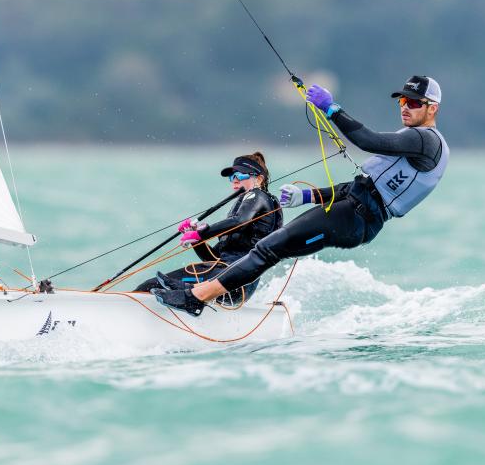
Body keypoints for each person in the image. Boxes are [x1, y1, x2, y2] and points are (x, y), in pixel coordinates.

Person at [152, 75, 449, 316]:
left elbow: (366, 140)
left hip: (356, 218)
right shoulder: (414, 142)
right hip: (352, 212)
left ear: (432, 108)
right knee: (270, 248)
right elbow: (360, 188)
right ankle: (208, 296)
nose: (404, 107)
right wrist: (305, 197)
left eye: (413, 102)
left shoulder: (424, 140)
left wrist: (332, 109)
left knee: (269, 247)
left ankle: (196, 298)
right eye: (401, 101)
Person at [135, 152, 282, 305]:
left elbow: (240, 220)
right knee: (152, 286)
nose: (235, 181)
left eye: (241, 175)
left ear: (259, 178)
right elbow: (213, 258)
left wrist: (201, 233)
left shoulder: (259, 196)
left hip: (236, 281)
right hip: (227, 280)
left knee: (150, 286)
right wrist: (195, 239)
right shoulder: (243, 208)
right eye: (232, 177)